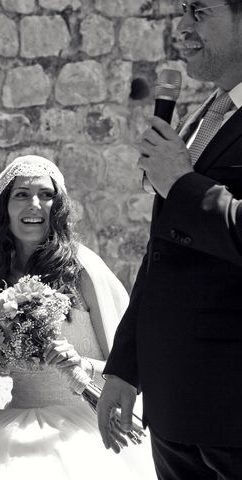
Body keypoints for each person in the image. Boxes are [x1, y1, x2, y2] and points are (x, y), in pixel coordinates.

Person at [0, 155, 156, 480]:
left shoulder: (81, 268)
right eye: (21, 194)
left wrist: (80, 364)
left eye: (46, 194)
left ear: (59, 205)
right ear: (5, 208)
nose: (34, 204)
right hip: (16, 421)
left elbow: (130, 365)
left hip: (83, 425)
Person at [97, 2, 242, 478]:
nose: (182, 28)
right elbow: (163, 254)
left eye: (199, 12)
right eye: (182, 11)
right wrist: (126, 367)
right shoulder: (204, 117)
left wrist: (181, 183)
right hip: (176, 409)